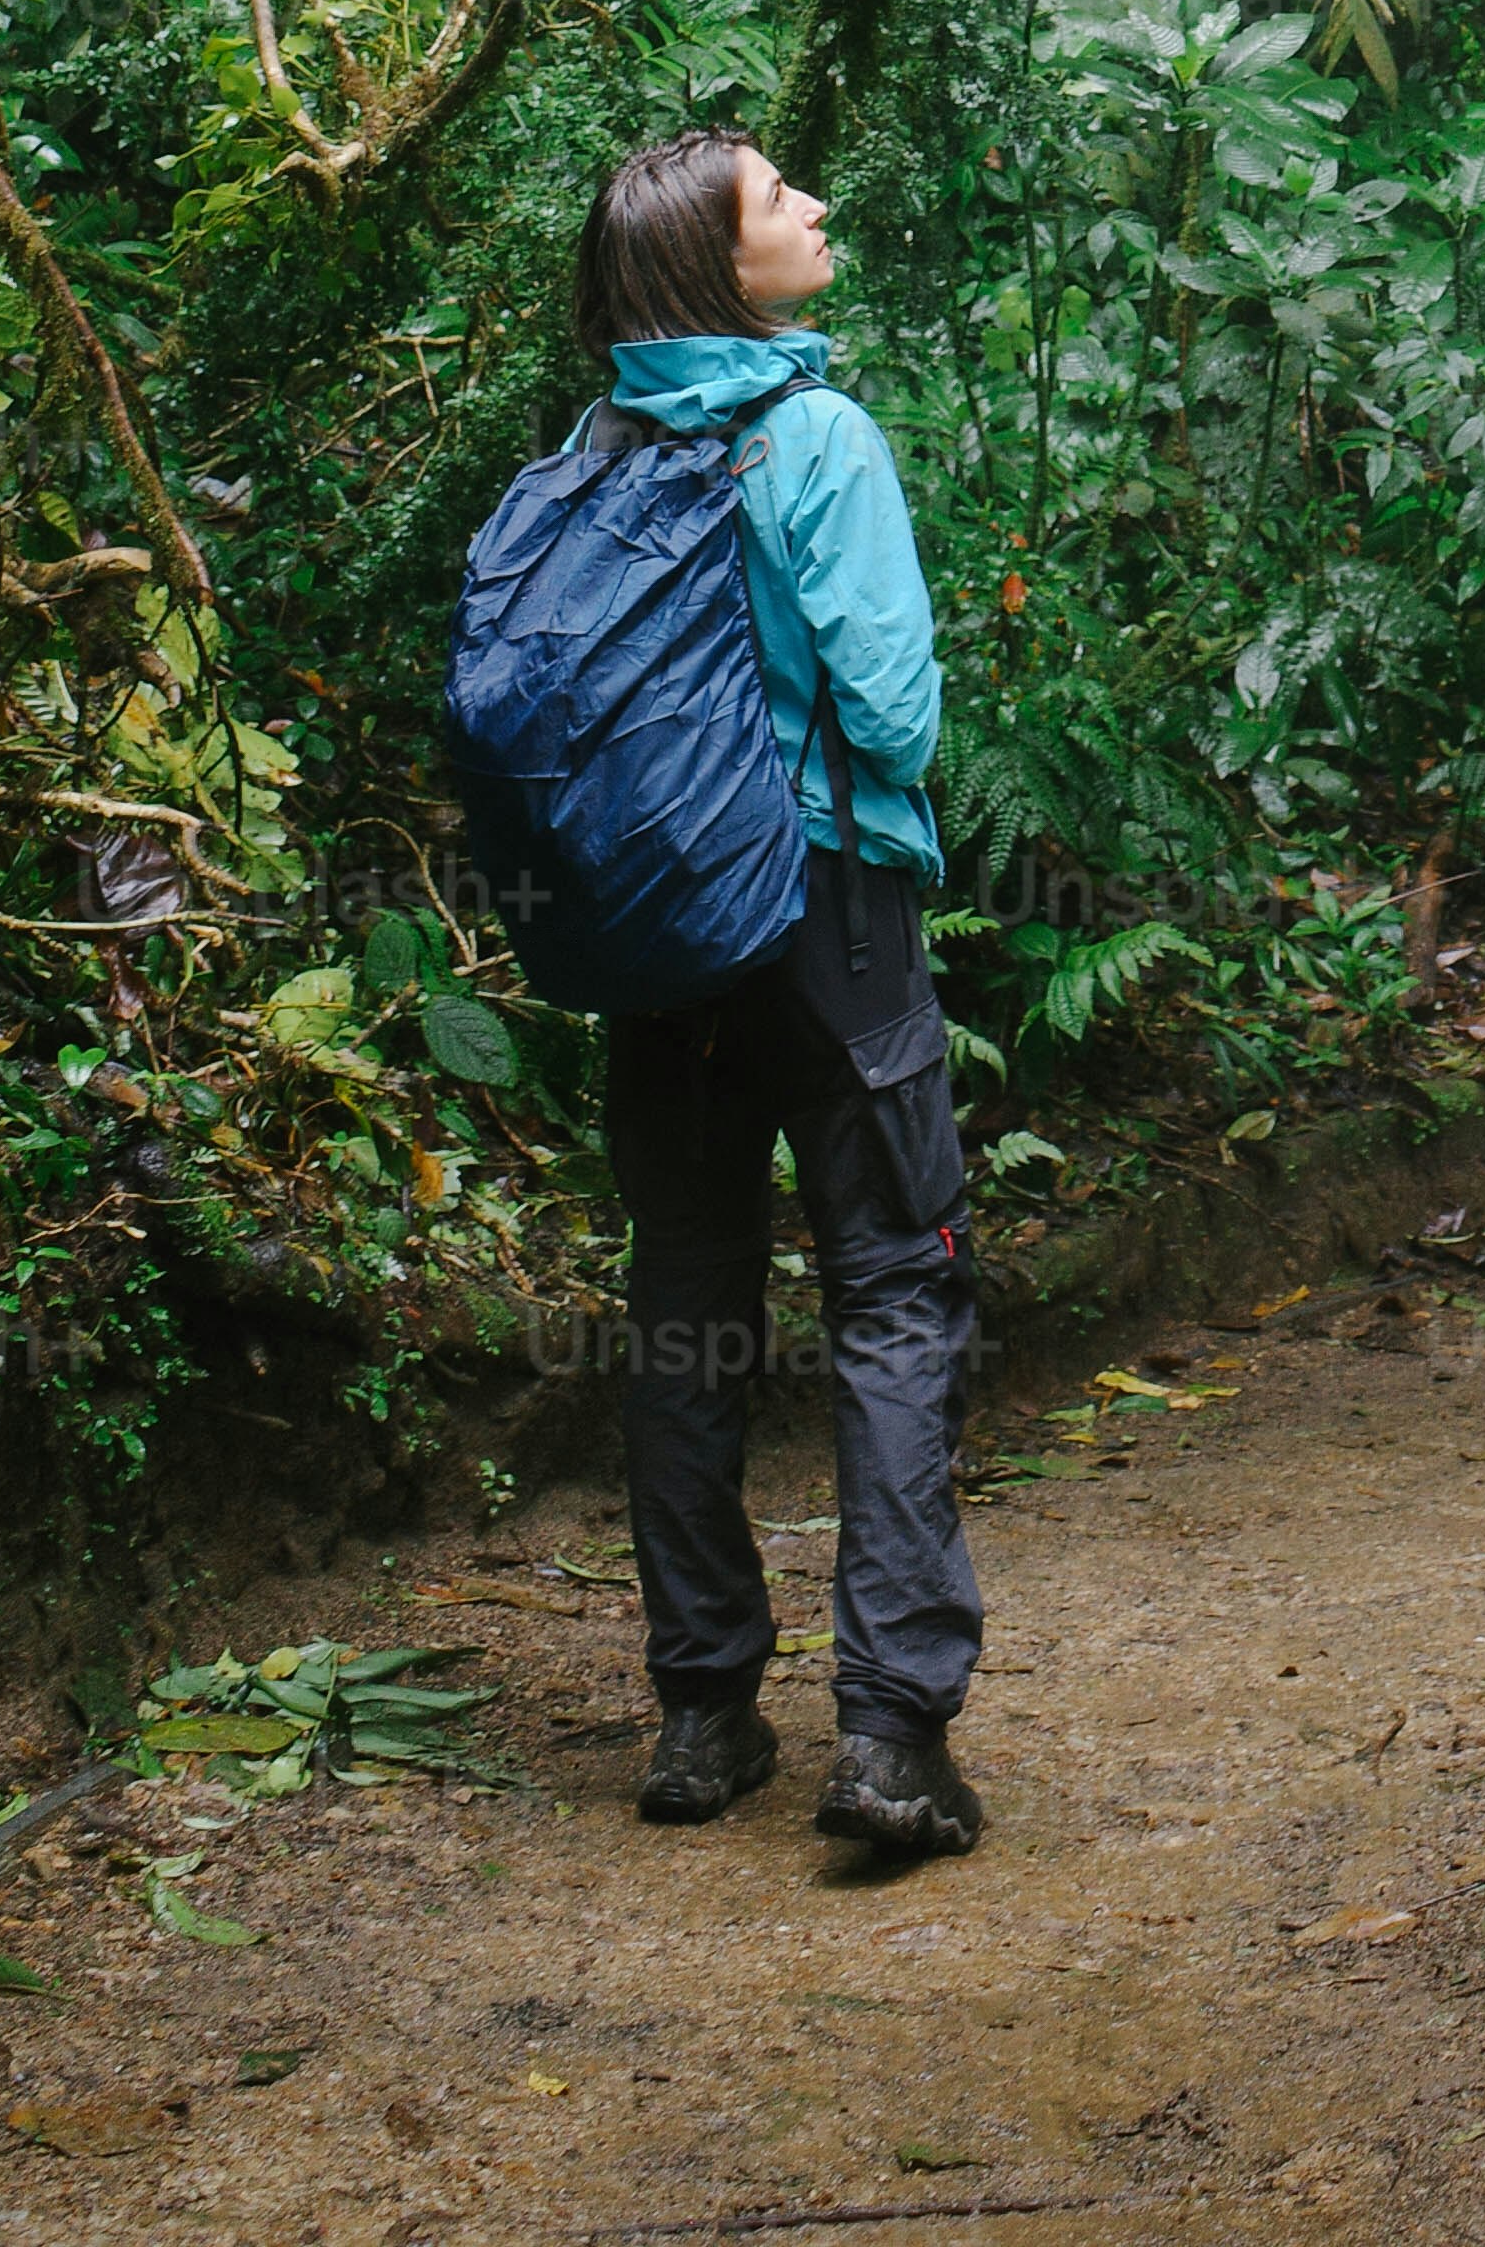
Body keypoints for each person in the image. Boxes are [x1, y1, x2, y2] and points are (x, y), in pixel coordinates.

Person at [576, 126, 987, 1860]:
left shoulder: (593, 448)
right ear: (715, 268)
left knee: (687, 1305)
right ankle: (889, 1738)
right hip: (827, 911)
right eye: (777, 199)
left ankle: (701, 1717)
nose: (816, 204)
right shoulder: (814, 436)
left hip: (656, 934)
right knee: (894, 1293)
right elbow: (890, 713)